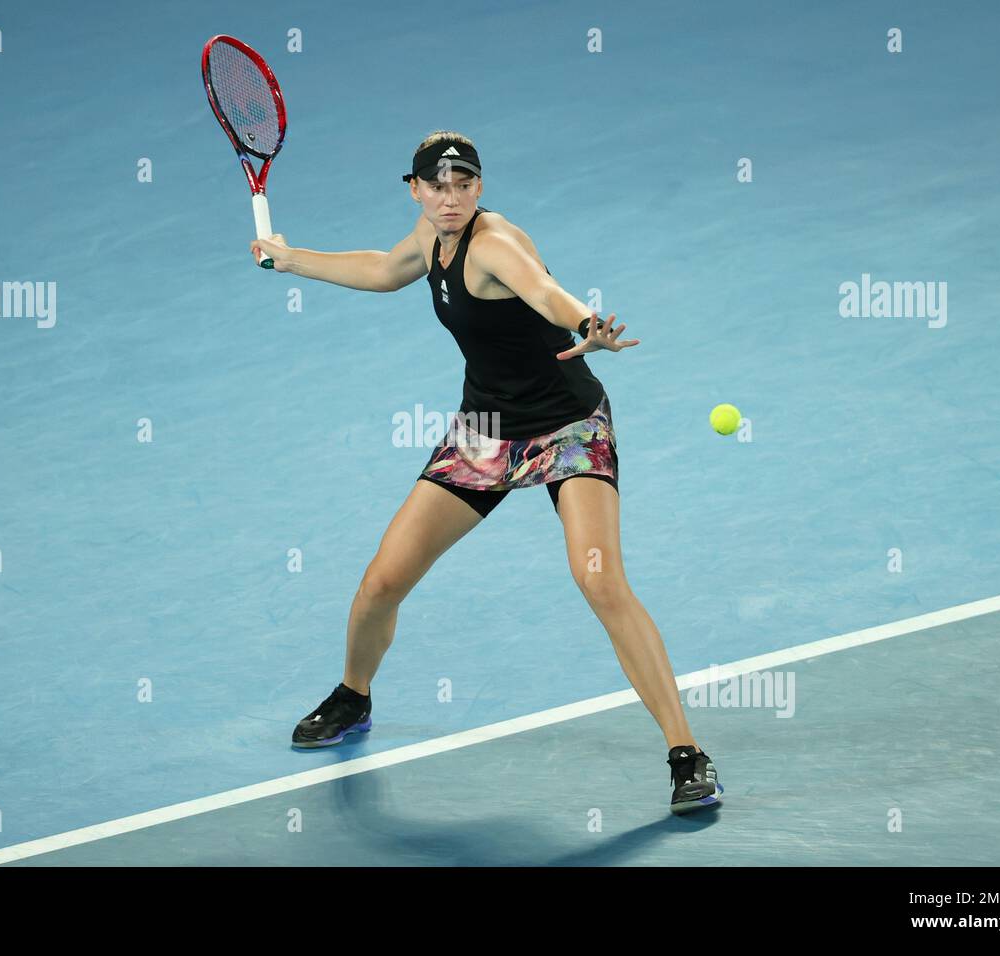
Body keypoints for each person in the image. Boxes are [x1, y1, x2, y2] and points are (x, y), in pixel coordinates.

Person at [249, 131, 722, 815]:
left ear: (479, 188)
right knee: (383, 580)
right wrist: (292, 260)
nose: (450, 197)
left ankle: (687, 756)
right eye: (437, 186)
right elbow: (384, 269)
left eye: (463, 184)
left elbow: (544, 289)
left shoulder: (493, 242)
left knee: (599, 579)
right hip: (487, 432)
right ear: (415, 189)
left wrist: (588, 322)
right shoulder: (429, 235)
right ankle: (354, 695)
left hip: (566, 427)